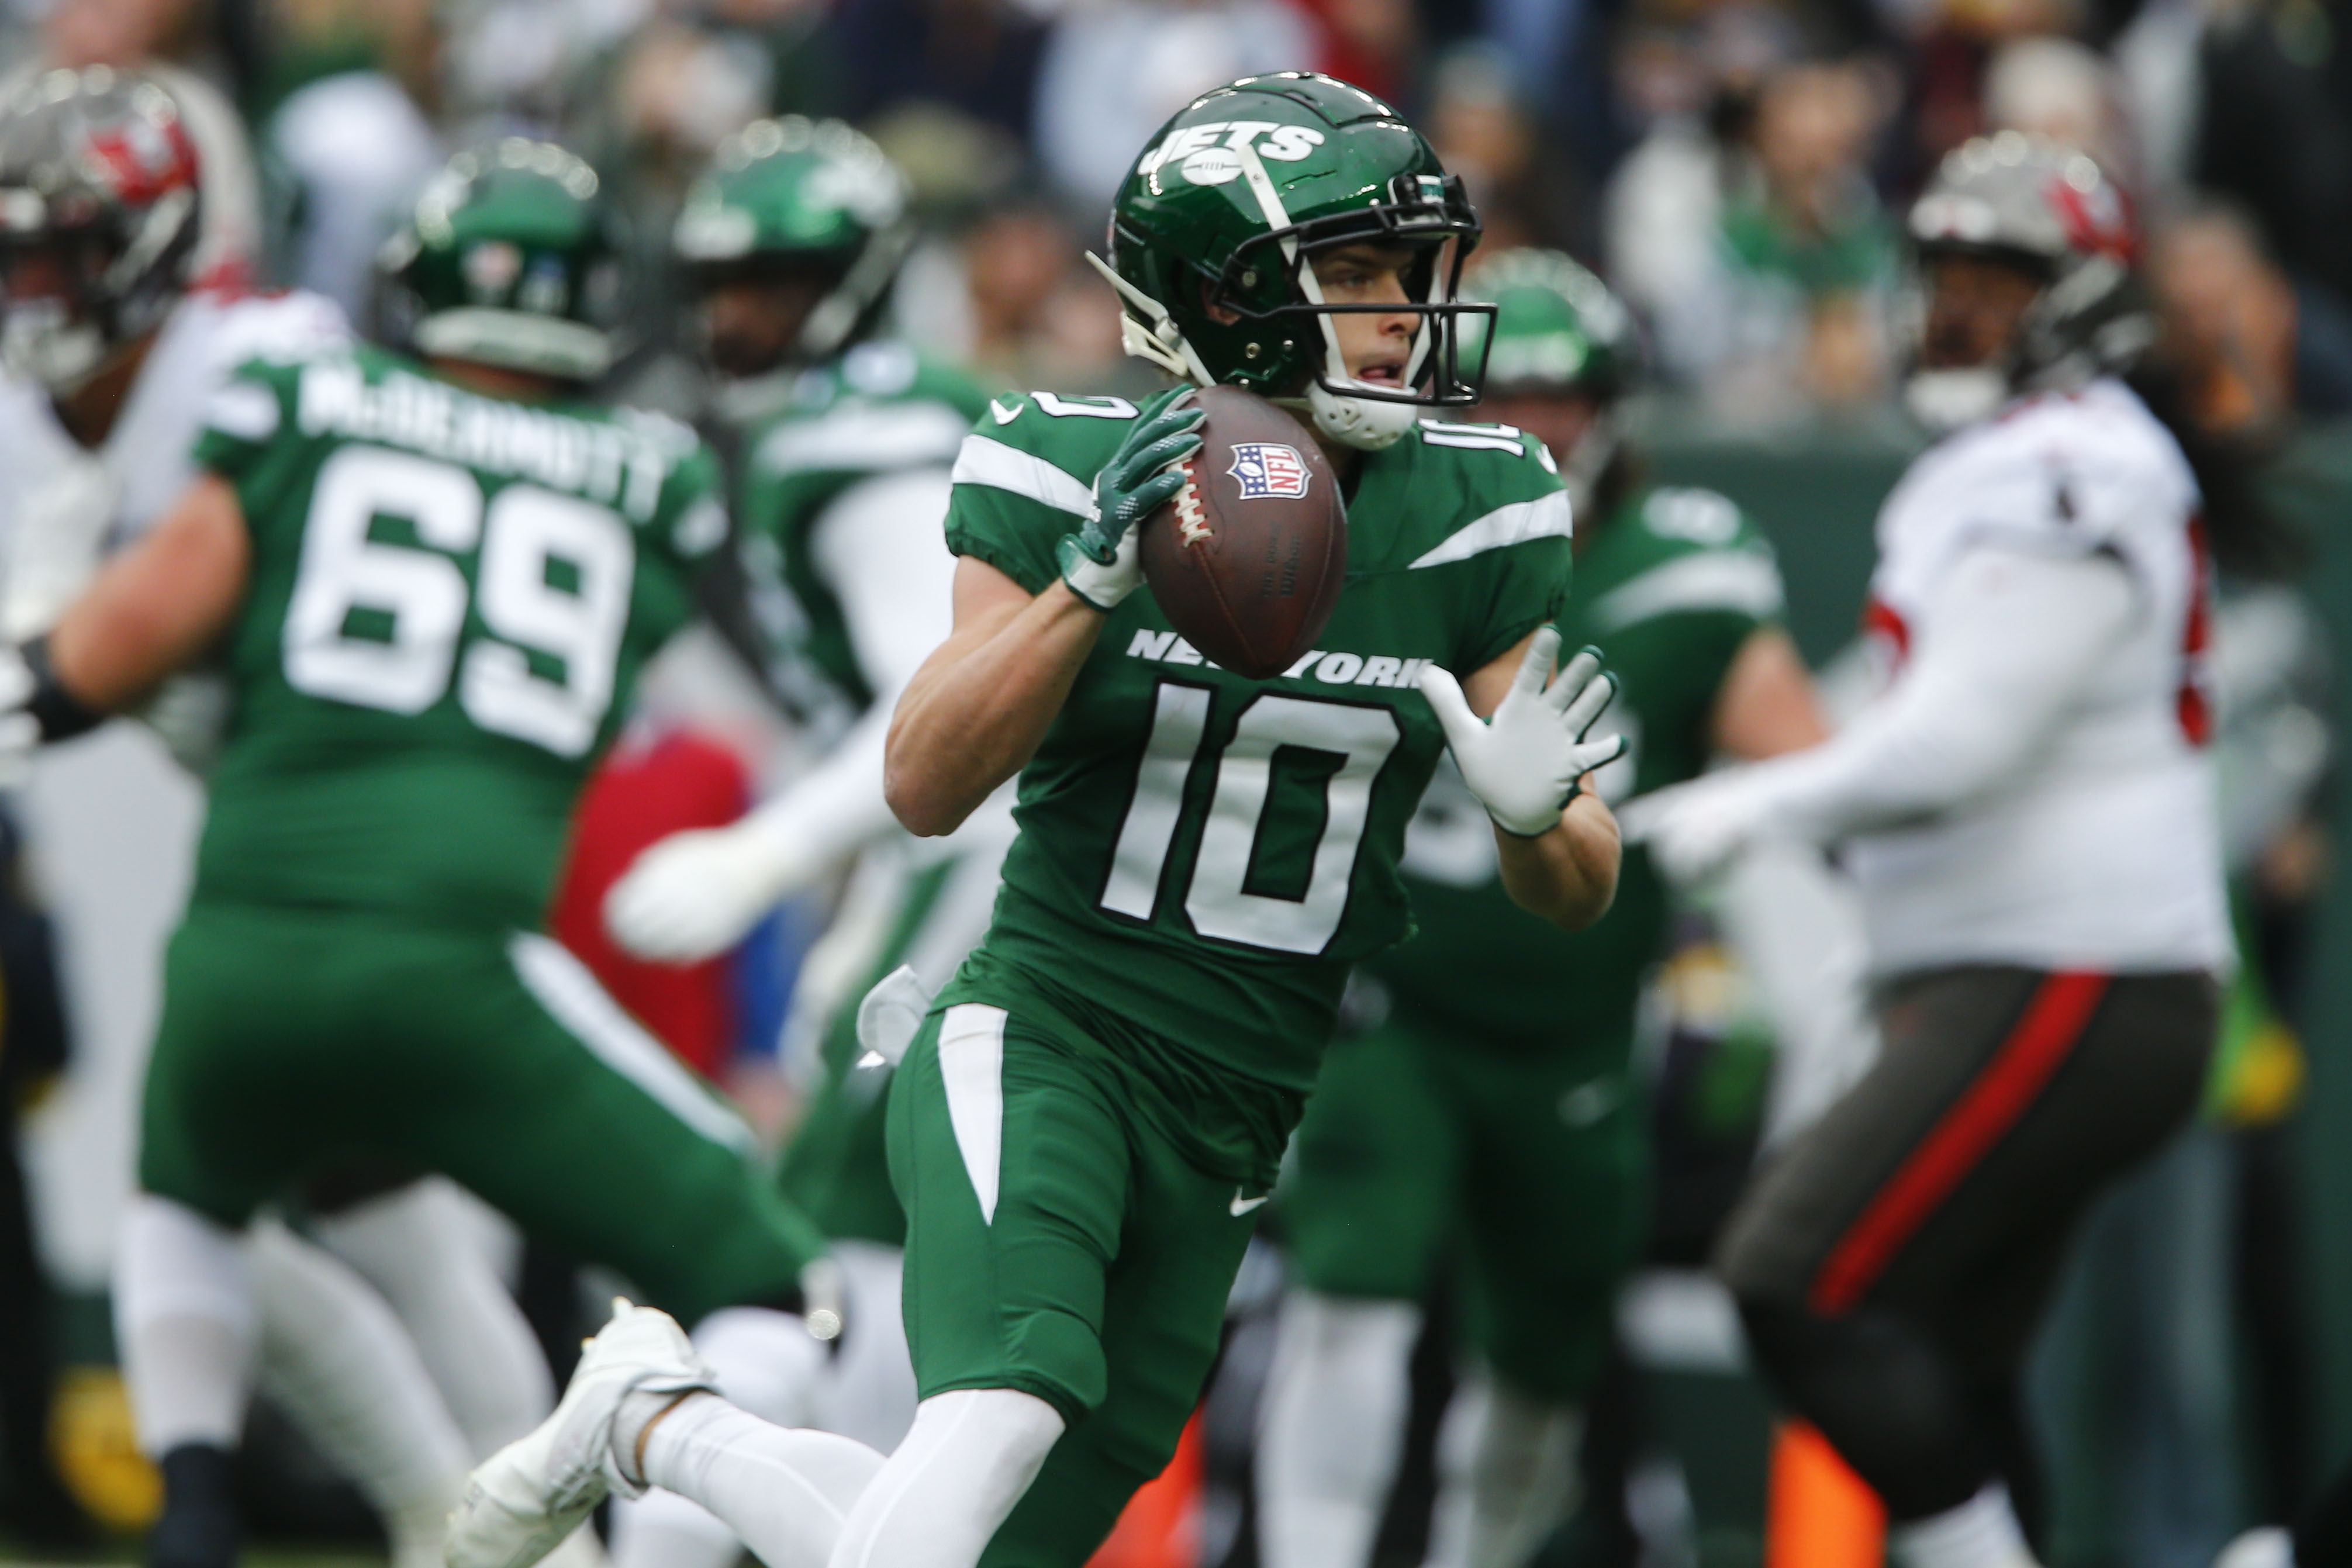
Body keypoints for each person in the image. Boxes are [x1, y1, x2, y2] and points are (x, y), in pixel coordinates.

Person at [454, 70, 1626, 1568]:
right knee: (996, 1418)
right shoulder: (1064, 459)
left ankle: (652, 1423)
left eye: (1406, 269)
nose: (1403, 308)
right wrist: (1089, 584)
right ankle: (650, 1422)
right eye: (1351, 272)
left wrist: (1539, 821)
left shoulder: (1481, 508)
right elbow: (924, 783)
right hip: (1047, 1031)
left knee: (976, 1544)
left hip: (1239, 1101)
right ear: (1227, 293)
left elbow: (1576, 886)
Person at [0, 129, 850, 1568]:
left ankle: (198, 1500)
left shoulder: (301, 393)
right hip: (461, 967)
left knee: (190, 1194)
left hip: (247, 946)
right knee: (778, 1286)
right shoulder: (650, 475)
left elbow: (91, 663)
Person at [0, 71, 596, 1568]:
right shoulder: (29, 418)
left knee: (225, 1195)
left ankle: (484, 1509)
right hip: (262, 832)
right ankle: (481, 1522)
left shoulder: (267, 365)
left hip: (379, 824)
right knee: (357, 1212)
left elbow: (90, 655)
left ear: (143, 244)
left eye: (55, 251)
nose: (32, 290)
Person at [1627, 131, 2230, 1568]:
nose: (1956, 304)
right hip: (2023, 968)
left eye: (1998, 275)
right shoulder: (2021, 459)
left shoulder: (2070, 462)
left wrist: (1747, 808)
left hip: (2066, 968)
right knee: (1947, 1360)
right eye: (1942, 270)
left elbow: (1961, 743)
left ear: (2078, 291)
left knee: (1794, 1279)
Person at [1253, 248, 1828, 1568]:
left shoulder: (1680, 567)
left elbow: (1798, 764)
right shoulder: (1363, 534)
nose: (1536, 426)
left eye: (1564, 398)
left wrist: (1737, 839)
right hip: (1388, 1001)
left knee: (1540, 1367)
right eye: (1506, 393)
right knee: (1349, 1307)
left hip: (1572, 1029)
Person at [595, 115, 1003, 1568]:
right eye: (720, 281)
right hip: (959, 863)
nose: (734, 314)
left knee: (823, 1249)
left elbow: (930, 712)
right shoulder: (842, 423)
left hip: (988, 859)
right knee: (888, 1259)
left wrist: (759, 860)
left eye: (771, 279)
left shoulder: (863, 436)